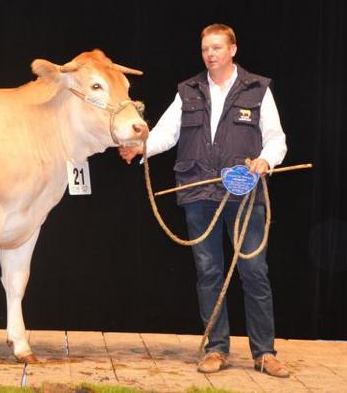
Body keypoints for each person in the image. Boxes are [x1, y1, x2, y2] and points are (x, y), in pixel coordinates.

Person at [120, 24, 289, 378]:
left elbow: (276, 138)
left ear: (232, 50)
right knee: (209, 273)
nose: (210, 54)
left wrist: (266, 161)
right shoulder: (189, 90)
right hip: (198, 192)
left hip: (244, 194)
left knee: (254, 271)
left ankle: (264, 352)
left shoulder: (258, 88)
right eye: (205, 49)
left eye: (216, 48)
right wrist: (141, 148)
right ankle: (216, 348)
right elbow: (167, 133)